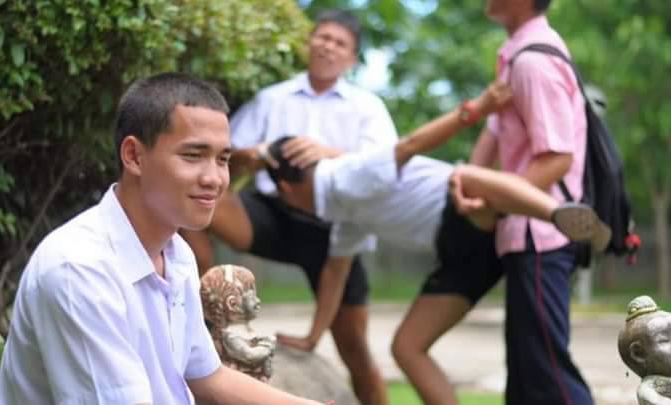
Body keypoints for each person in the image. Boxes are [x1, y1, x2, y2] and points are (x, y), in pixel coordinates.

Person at [0, 73, 326, 405]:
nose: (214, 178)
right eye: (193, 155)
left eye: (223, 159)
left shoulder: (176, 253)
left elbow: (208, 377)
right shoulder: (78, 269)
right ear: (134, 156)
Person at [261, 79, 610, 386]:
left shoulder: (345, 174)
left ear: (286, 191)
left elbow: (411, 144)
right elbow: (335, 273)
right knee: (407, 347)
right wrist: (312, 337)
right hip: (462, 257)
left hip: (461, 211)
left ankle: (559, 214)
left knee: (466, 179)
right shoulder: (344, 214)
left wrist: (476, 108)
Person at [180, 9, 396, 405]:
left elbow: (385, 167)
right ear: (308, 43)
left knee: (355, 349)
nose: (328, 46)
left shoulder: (367, 106)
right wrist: (256, 154)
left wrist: (329, 152)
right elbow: (226, 154)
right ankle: (199, 305)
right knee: (193, 196)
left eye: (340, 43)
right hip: (273, 215)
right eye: (323, 37)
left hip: (335, 229)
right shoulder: (272, 98)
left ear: (352, 59)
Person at [453, 0, 596, 403]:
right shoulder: (518, 57)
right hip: (527, 236)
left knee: (548, 374)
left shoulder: (533, 62)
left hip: (540, 235)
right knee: (525, 381)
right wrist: (472, 186)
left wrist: (496, 203)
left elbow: (557, 158)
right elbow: (495, 135)